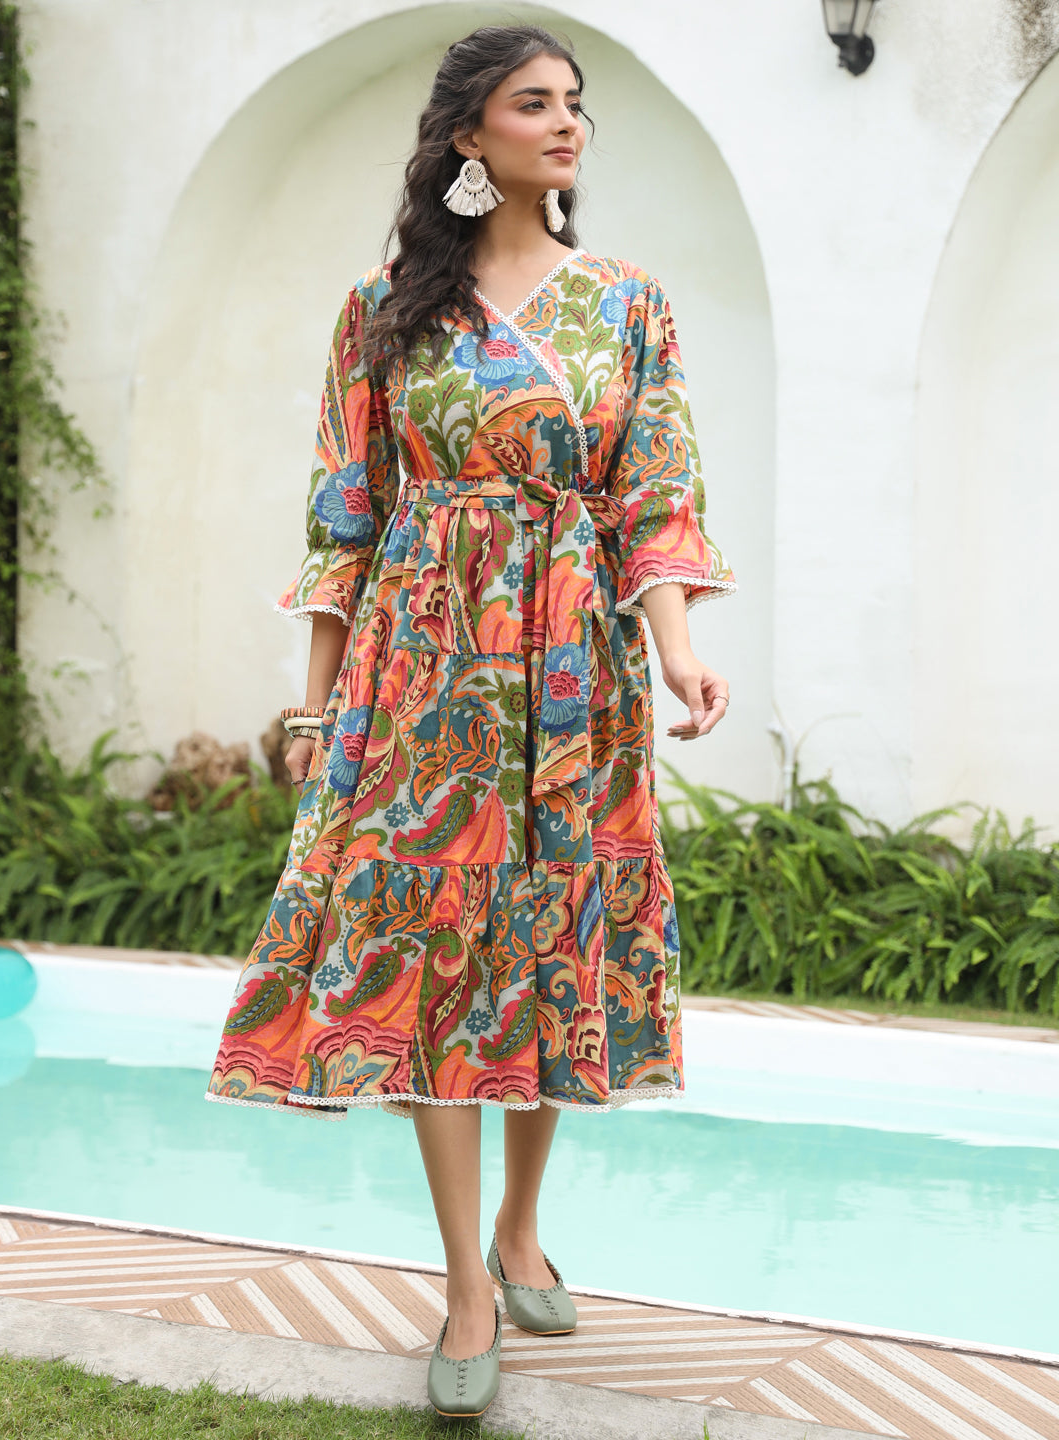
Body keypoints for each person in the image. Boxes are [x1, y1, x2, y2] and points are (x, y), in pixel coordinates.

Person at [206, 22, 736, 1419]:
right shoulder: (384, 311)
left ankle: (521, 1224)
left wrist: (679, 652)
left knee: (552, 934)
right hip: (420, 667)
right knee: (430, 951)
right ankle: (462, 1284)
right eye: (534, 103)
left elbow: (657, 497)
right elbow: (343, 513)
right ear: (467, 136)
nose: (567, 124)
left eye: (576, 104)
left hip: (572, 674)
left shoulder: (628, 305)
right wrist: (316, 708)